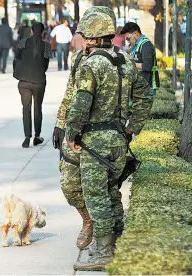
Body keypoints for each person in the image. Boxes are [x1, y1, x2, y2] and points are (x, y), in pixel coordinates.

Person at [65, 12, 153, 270]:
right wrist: (131, 128)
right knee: (112, 194)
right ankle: (116, 242)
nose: (82, 41)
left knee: (97, 197)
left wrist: (71, 133)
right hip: (118, 141)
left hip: (94, 143)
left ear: (92, 37)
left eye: (84, 36)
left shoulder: (91, 65)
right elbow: (145, 97)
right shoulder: (125, 60)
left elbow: (81, 105)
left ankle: (104, 252)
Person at [53, 5, 121, 252]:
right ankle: (87, 219)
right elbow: (71, 91)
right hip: (76, 134)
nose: (84, 42)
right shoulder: (80, 57)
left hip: (100, 137)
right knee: (69, 185)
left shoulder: (117, 61)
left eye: (88, 36)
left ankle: (106, 237)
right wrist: (61, 123)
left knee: (102, 191)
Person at [13, 22, 51, 148]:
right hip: (39, 80)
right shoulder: (46, 46)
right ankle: (37, 136)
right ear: (42, 32)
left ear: (31, 31)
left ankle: (26, 137)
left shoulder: (23, 41)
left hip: (24, 81)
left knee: (26, 109)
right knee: (38, 109)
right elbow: (46, 64)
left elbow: (17, 56)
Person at [121, 22, 160, 94]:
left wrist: (129, 63)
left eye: (128, 38)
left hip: (147, 86)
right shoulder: (136, 45)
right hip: (139, 85)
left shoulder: (146, 45)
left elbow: (147, 66)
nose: (127, 41)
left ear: (135, 34)